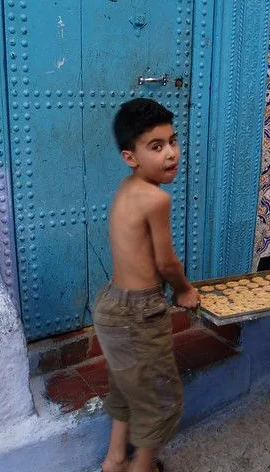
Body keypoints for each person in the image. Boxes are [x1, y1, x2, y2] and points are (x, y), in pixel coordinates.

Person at [93, 98, 200, 471]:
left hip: (110, 306)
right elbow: (166, 261)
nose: (171, 153)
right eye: (156, 147)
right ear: (130, 157)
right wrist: (184, 290)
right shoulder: (156, 199)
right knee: (158, 397)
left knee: (125, 383)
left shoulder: (126, 189)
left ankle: (114, 459)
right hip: (139, 312)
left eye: (173, 141)